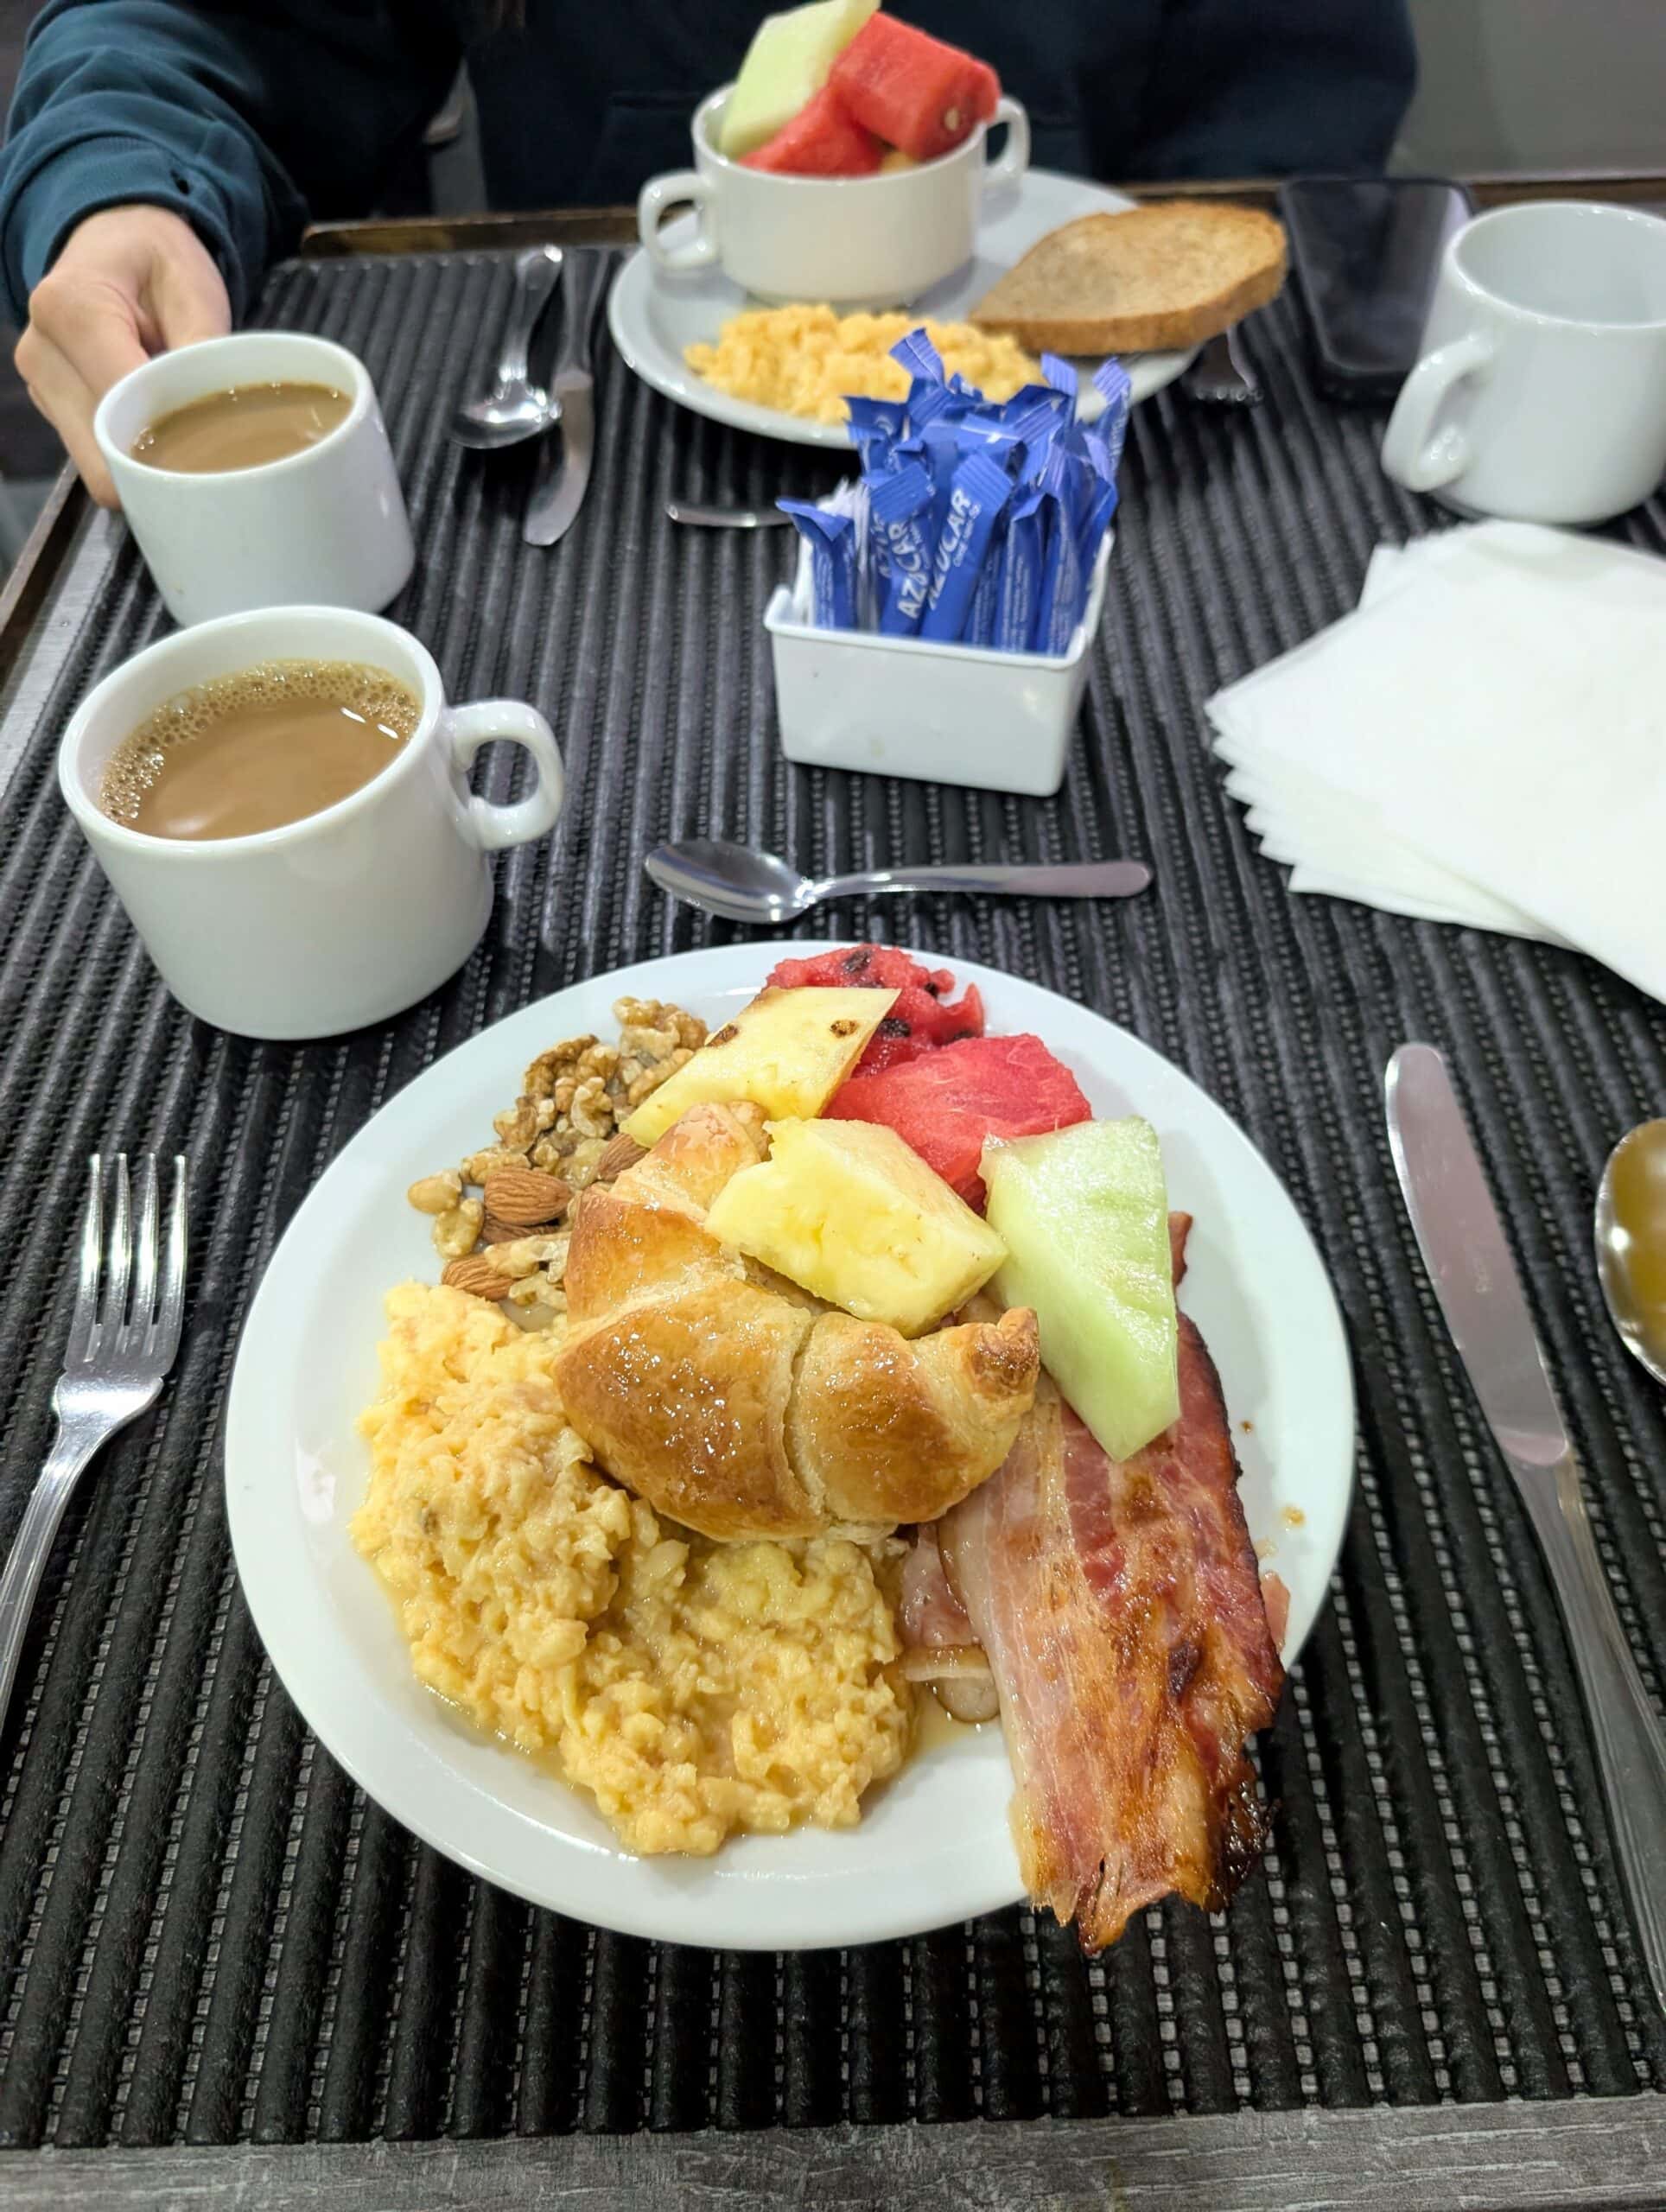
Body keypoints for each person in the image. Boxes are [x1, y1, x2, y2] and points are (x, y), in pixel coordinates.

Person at [0, 0, 1416, 505]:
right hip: (607, 461)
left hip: (1122, 468)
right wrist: (128, 191)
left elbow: (1296, 95)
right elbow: (197, 23)